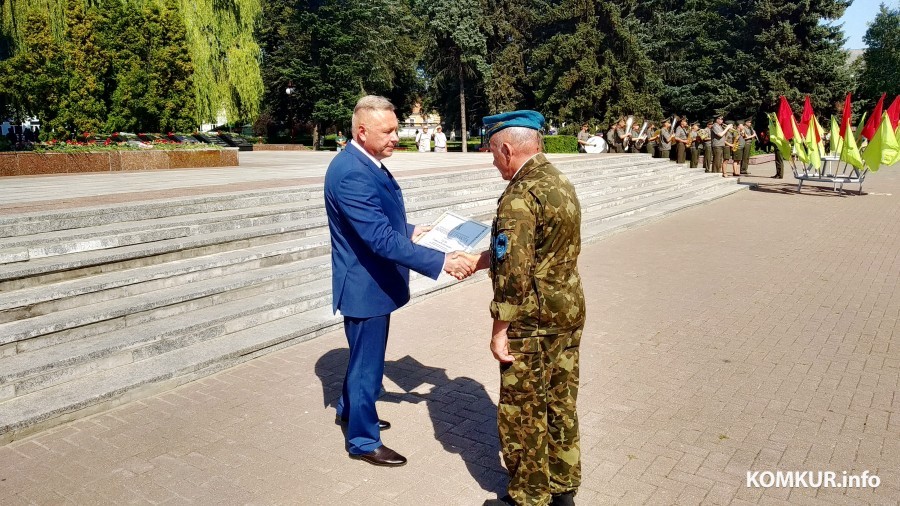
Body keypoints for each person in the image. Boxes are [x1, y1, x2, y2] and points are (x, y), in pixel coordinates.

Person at [324, 95, 474, 467]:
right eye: (388, 131)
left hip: (373, 282)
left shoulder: (364, 160)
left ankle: (351, 410)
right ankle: (362, 440)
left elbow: (377, 220)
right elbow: (376, 238)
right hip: (365, 287)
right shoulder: (353, 172)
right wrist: (441, 260)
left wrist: (411, 230)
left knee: (363, 361)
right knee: (367, 367)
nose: (396, 136)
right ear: (362, 131)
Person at [469, 110, 585, 506]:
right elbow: (540, 249)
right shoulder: (557, 180)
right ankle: (563, 489)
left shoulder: (519, 195)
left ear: (506, 149)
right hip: (566, 313)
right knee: (559, 403)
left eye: (492, 152)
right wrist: (483, 259)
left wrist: (499, 330)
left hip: (532, 322)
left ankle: (528, 497)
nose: (492, 160)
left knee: (522, 413)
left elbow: (516, 272)